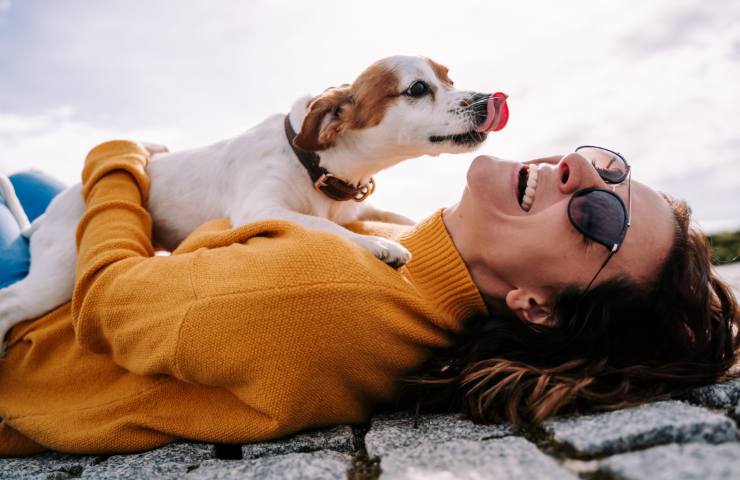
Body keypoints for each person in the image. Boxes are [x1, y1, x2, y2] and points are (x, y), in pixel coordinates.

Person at [0, 140, 736, 456]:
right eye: (609, 168)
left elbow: (108, 301)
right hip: (53, 274)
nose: (577, 170)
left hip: (27, 346)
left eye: (596, 219)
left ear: (534, 306)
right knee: (31, 179)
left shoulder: (322, 297)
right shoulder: (407, 254)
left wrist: (118, 162)